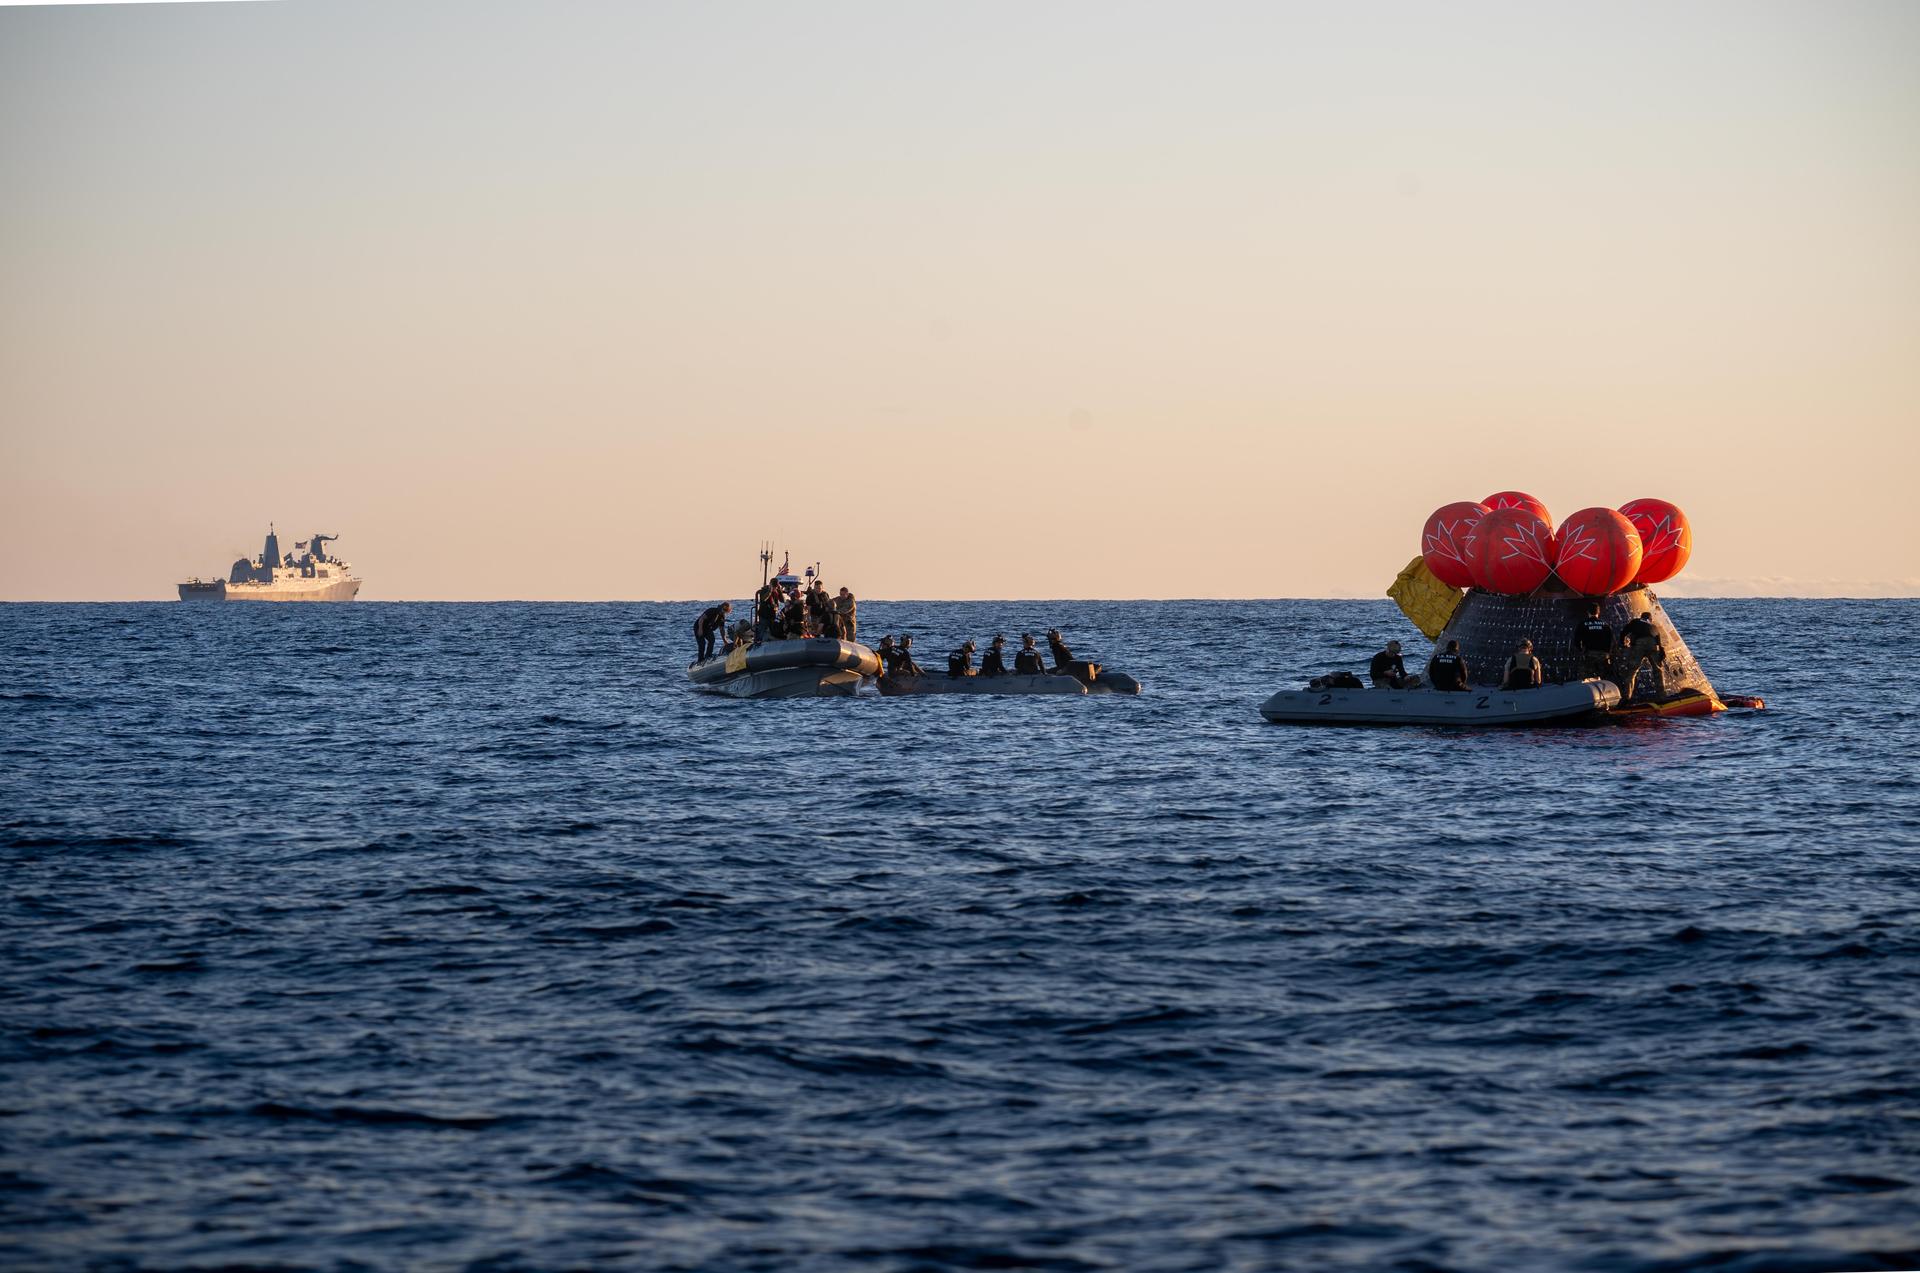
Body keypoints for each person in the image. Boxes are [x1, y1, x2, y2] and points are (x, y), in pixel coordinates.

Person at [1619, 608, 1666, 700]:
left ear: (1641, 617)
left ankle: (1627, 697)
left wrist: (1623, 643)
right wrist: (1661, 652)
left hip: (1638, 645)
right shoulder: (1653, 626)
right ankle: (1662, 696)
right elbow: (1659, 642)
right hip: (1652, 644)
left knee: (1632, 671)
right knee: (1657, 670)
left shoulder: (1635, 622)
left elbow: (1624, 632)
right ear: (1650, 619)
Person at [1574, 602, 1614, 681]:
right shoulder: (1605, 625)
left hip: (1589, 655)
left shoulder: (1582, 624)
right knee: (1604, 680)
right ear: (1598, 612)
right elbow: (1611, 641)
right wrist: (1607, 654)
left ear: (1588, 612)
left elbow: (1576, 641)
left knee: (1586, 679)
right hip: (1603, 656)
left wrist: (1581, 651)